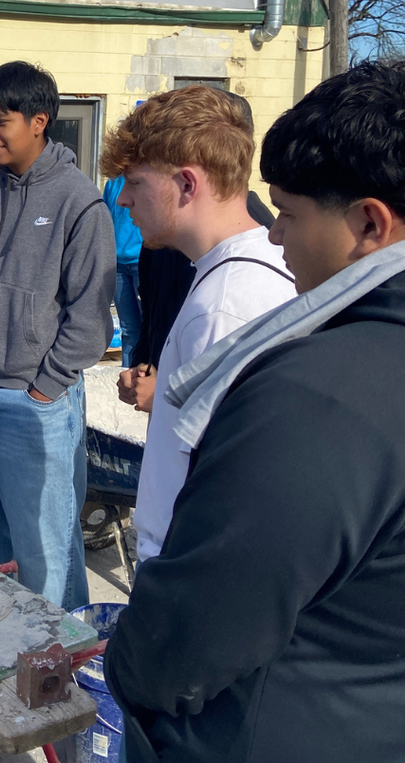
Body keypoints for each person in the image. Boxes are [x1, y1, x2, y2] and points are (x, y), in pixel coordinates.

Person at [105, 59, 405, 763]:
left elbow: (213, 608)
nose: (277, 235)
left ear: (369, 223)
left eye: (292, 216)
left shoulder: (317, 385)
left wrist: (132, 668)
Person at [0, 61, 115, 609]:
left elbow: (91, 312)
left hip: (35, 402)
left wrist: (47, 385)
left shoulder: (78, 201)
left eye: (0, 121)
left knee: (46, 554)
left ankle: (59, 671)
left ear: (39, 122)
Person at [100, 84, 296, 564]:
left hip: (186, 564)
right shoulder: (242, 270)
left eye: (136, 182)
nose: (123, 201)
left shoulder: (224, 308)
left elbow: (231, 489)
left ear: (187, 184)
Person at [103, 174, 143, 366]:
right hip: (118, 264)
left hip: (141, 261)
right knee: (128, 328)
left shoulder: (144, 178)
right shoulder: (112, 182)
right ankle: (128, 373)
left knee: (149, 326)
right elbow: (105, 218)